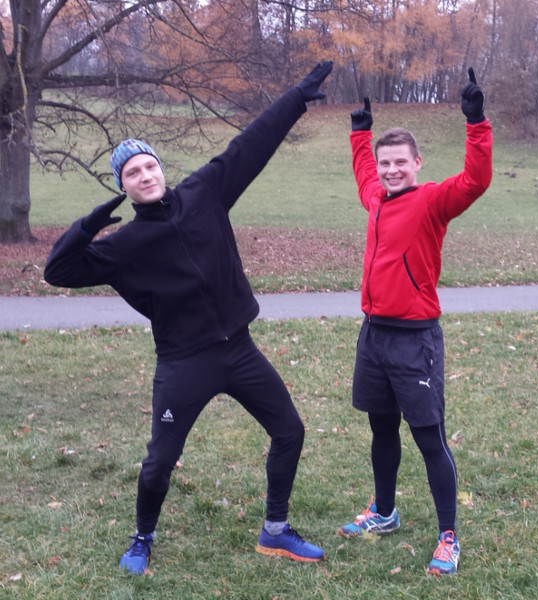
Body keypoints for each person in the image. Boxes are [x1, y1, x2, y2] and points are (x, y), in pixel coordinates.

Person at [44, 61, 333, 574]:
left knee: (290, 430)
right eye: (132, 173)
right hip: (184, 363)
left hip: (238, 350)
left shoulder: (206, 192)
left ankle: (275, 532)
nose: (144, 175)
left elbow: (251, 144)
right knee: (159, 460)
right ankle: (142, 538)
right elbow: (57, 270)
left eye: (149, 166)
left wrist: (296, 97)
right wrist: (90, 223)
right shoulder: (124, 246)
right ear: (124, 186)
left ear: (161, 168)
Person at [338, 68, 493, 576]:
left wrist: (476, 121)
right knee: (381, 428)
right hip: (373, 336)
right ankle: (384, 513)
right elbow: (362, 171)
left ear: (417, 164)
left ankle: (448, 536)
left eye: (400, 162)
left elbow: (476, 180)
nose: (390, 170)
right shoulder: (375, 198)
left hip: (415, 341)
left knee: (429, 437)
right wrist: (361, 133)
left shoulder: (432, 201)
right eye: (386, 163)